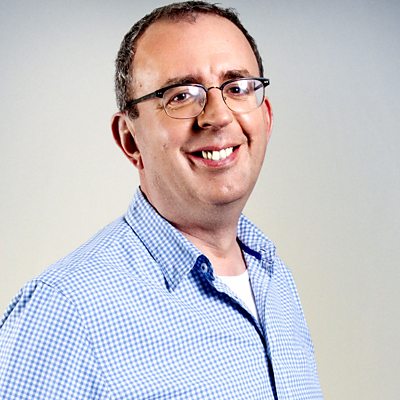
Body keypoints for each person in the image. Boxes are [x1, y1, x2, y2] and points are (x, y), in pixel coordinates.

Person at [0, 1, 322, 398]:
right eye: (181, 95)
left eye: (237, 88)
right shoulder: (65, 312)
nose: (218, 116)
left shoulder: (273, 278)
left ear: (266, 118)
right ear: (130, 139)